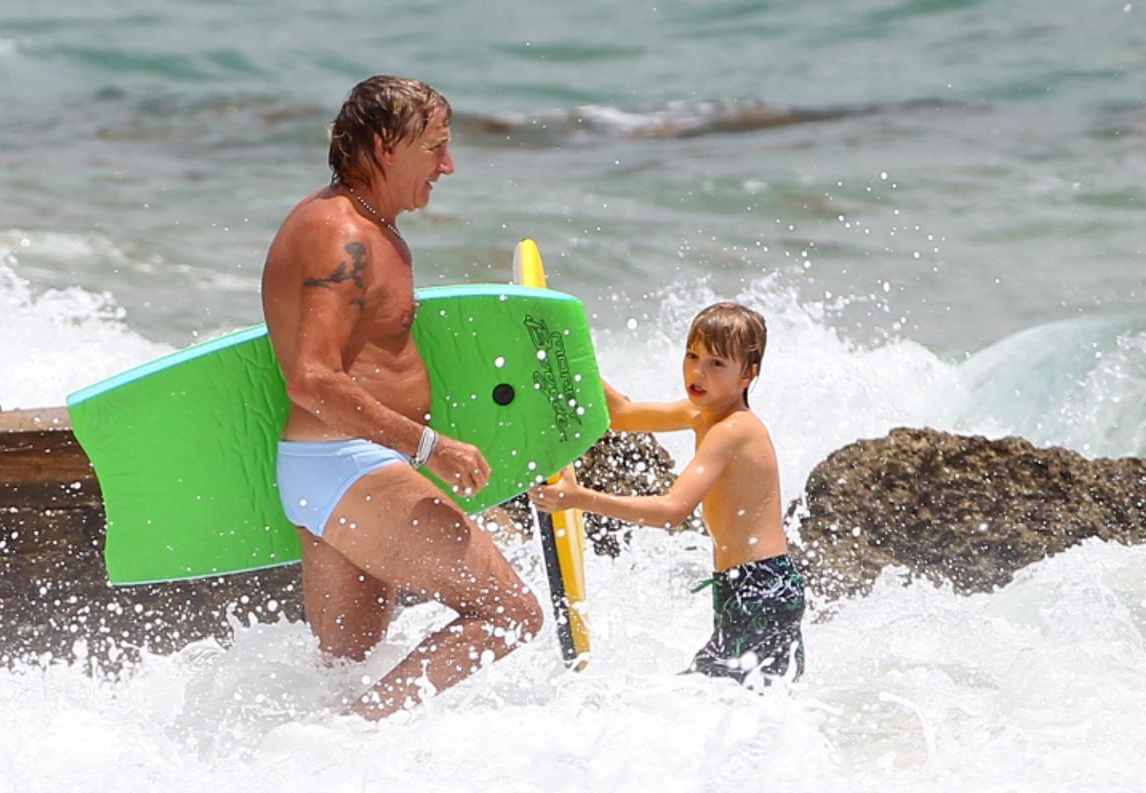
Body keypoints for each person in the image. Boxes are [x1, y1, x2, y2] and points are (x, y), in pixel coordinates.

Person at [261, 76, 544, 720]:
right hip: (351, 466)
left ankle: (307, 769)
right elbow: (312, 378)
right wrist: (428, 445)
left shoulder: (361, 224)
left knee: (346, 671)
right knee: (508, 614)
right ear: (387, 146)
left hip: (329, 472)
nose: (447, 165)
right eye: (436, 148)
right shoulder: (345, 237)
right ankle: (349, 738)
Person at [530, 302, 805, 686]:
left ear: (748, 374)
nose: (697, 372)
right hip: (741, 586)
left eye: (716, 364)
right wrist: (567, 355)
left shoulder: (733, 430)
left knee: (710, 700)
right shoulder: (701, 413)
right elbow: (622, 414)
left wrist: (579, 499)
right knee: (728, 707)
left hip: (762, 590)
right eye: (692, 356)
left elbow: (671, 511)